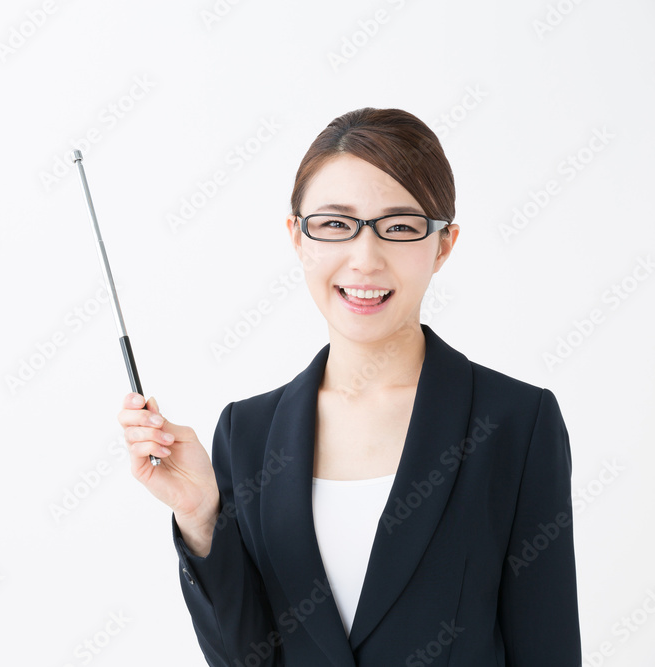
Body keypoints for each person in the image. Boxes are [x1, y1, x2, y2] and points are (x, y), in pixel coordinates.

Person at [116, 107, 582, 666]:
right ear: (298, 236)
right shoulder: (248, 433)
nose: (365, 258)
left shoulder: (515, 422)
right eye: (336, 224)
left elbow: (547, 648)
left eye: (400, 226)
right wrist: (199, 517)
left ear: (444, 245)